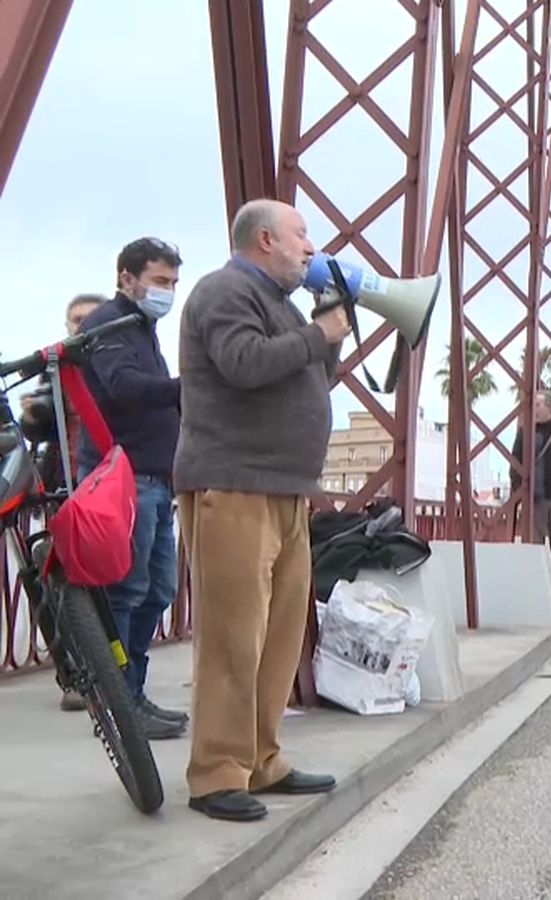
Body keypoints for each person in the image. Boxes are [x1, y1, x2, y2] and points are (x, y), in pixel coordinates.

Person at [174, 198, 348, 822]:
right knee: (233, 638)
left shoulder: (281, 304)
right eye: (301, 234)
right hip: (234, 484)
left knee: (277, 636)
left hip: (284, 489)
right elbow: (243, 365)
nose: (310, 247)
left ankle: (261, 758)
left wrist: (327, 334)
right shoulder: (223, 291)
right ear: (266, 239)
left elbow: (308, 376)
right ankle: (217, 772)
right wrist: (314, 335)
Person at [75, 238, 187, 740]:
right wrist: (192, 386)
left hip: (155, 480)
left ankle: (133, 694)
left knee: (158, 589)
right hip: (124, 480)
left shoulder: (143, 327)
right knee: (127, 590)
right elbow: (123, 387)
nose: (168, 292)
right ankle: (119, 703)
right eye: (161, 281)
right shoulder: (110, 326)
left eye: (173, 284)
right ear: (127, 278)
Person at [20, 293, 106, 712]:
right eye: (73, 320)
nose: (79, 326)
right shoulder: (54, 371)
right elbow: (38, 429)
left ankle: (113, 675)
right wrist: (32, 418)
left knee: (121, 586)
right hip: (65, 491)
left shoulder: (112, 367)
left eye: (88, 318)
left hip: (107, 489)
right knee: (57, 584)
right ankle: (75, 675)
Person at [509, 390, 551, 619]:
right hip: (535, 502)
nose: (535, 408)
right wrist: (517, 497)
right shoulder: (525, 433)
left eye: (538, 404)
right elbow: (515, 465)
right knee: (533, 554)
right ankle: (533, 604)